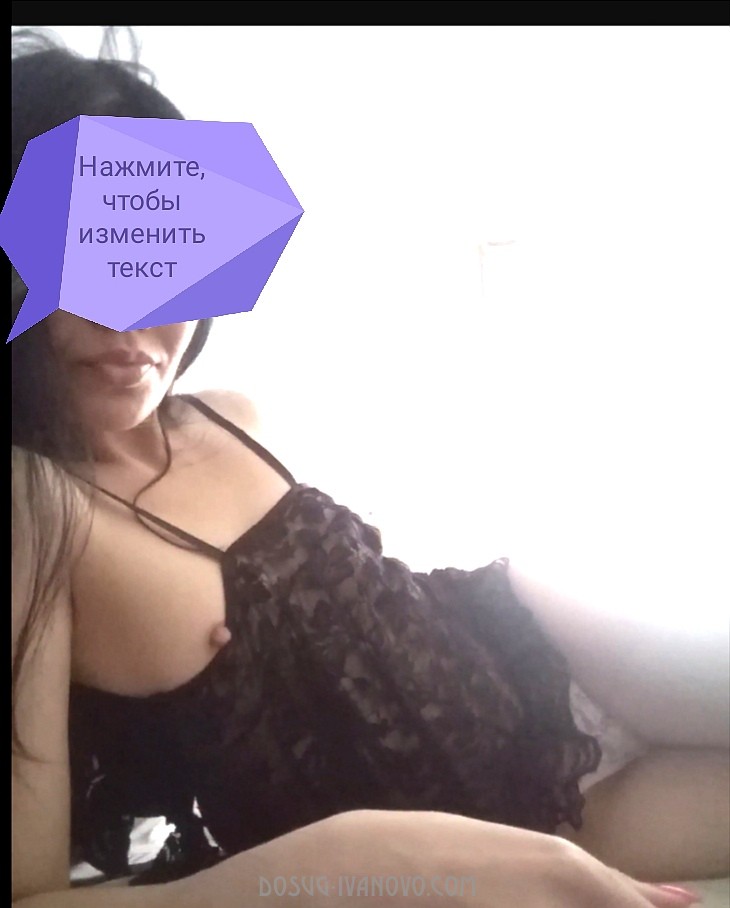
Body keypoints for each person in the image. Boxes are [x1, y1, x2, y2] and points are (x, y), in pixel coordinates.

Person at [11, 28, 726, 908]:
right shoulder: (32, 507)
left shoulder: (233, 414)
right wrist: (369, 859)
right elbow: (31, 894)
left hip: (556, 641)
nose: (129, 317)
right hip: (547, 827)